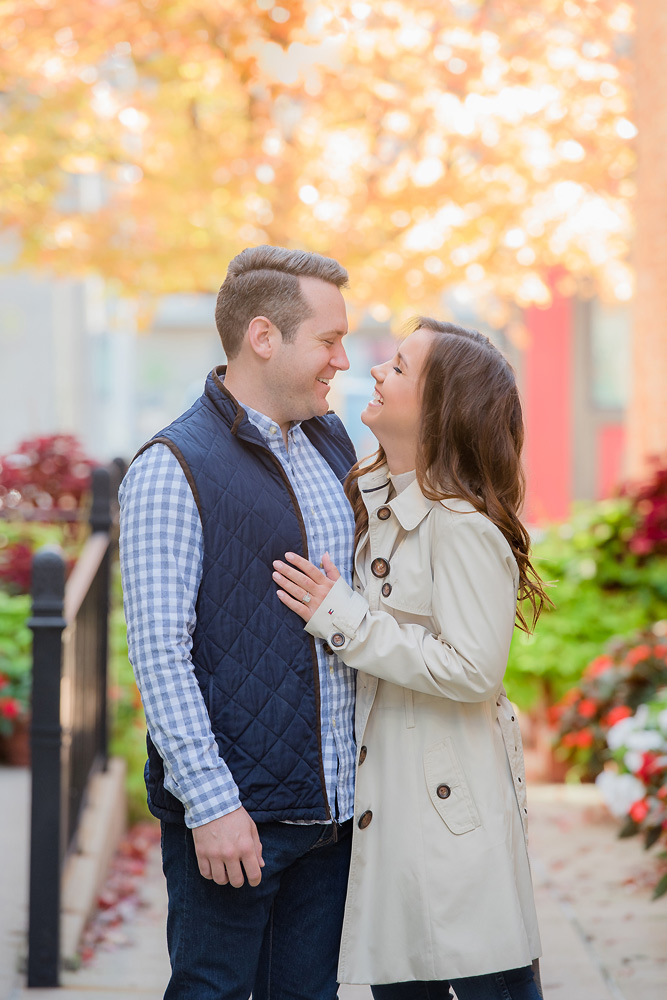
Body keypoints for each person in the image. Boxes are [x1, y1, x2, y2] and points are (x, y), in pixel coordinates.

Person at [272, 319, 548, 999]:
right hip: (396, 824)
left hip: (451, 830)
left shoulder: (460, 527)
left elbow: (472, 668)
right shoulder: (380, 505)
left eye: (397, 368)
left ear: (437, 411)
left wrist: (342, 618)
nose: (374, 372)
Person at [119, 246, 359, 1000]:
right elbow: (160, 653)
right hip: (238, 818)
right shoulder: (171, 465)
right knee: (212, 990)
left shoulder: (330, 442)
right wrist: (212, 805)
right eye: (328, 340)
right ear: (264, 337)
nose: (342, 360)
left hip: (334, 813)